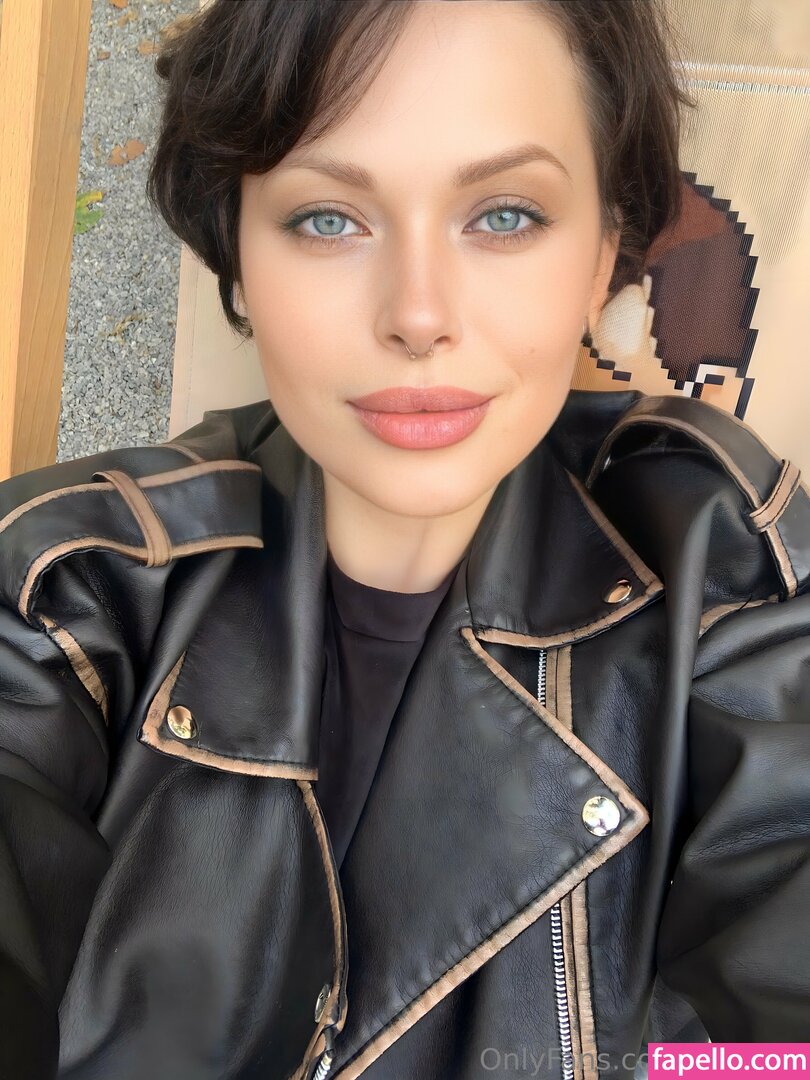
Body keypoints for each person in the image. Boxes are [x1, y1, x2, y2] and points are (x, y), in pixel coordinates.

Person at [0, 2, 808, 1078]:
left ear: (603, 254)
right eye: (328, 219)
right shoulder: (65, 586)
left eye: (506, 215)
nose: (418, 315)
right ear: (237, 255)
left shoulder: (730, 572)